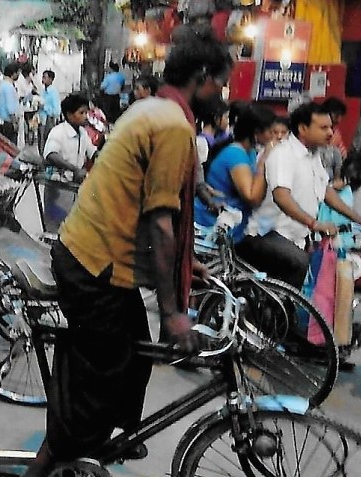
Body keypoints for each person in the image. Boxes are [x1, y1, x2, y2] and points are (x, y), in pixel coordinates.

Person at [26, 27, 231, 473]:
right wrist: (175, 311)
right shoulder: (174, 126)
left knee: (135, 353)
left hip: (88, 253)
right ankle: (56, 461)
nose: (222, 93)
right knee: (96, 388)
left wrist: (185, 263)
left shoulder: (153, 109)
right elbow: (159, 221)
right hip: (94, 264)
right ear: (201, 76)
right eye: (220, 82)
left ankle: (96, 442)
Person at [239, 103, 361, 289]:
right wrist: (314, 224)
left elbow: (326, 192)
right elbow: (281, 196)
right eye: (323, 128)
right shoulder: (283, 154)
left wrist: (359, 219)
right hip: (266, 235)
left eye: (331, 127)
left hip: (296, 239)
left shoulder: (313, 156)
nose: (330, 132)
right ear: (303, 128)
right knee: (299, 264)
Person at [194, 104, 277, 244]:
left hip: (234, 225)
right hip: (215, 227)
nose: (273, 136)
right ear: (256, 132)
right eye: (271, 131)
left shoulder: (249, 152)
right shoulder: (235, 154)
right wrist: (264, 159)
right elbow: (252, 197)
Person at [40, 93, 97, 231]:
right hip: (58, 186)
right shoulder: (58, 132)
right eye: (81, 113)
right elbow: (51, 155)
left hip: (74, 186)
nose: (85, 116)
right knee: (56, 226)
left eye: (86, 112)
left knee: (73, 226)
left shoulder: (83, 133)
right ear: (70, 115)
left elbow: (93, 152)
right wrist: (74, 169)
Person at [0, 63, 20, 143]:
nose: (19, 75)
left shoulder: (2, 85)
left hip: (2, 120)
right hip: (8, 122)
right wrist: (14, 122)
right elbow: (10, 108)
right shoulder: (9, 87)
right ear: (13, 73)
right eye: (18, 72)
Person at [40, 69, 61, 147]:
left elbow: (57, 111)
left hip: (49, 120)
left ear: (51, 79)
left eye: (45, 77)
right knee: (41, 141)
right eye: (42, 77)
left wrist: (45, 108)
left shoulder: (53, 92)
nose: (43, 79)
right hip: (41, 119)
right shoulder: (42, 91)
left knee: (47, 140)